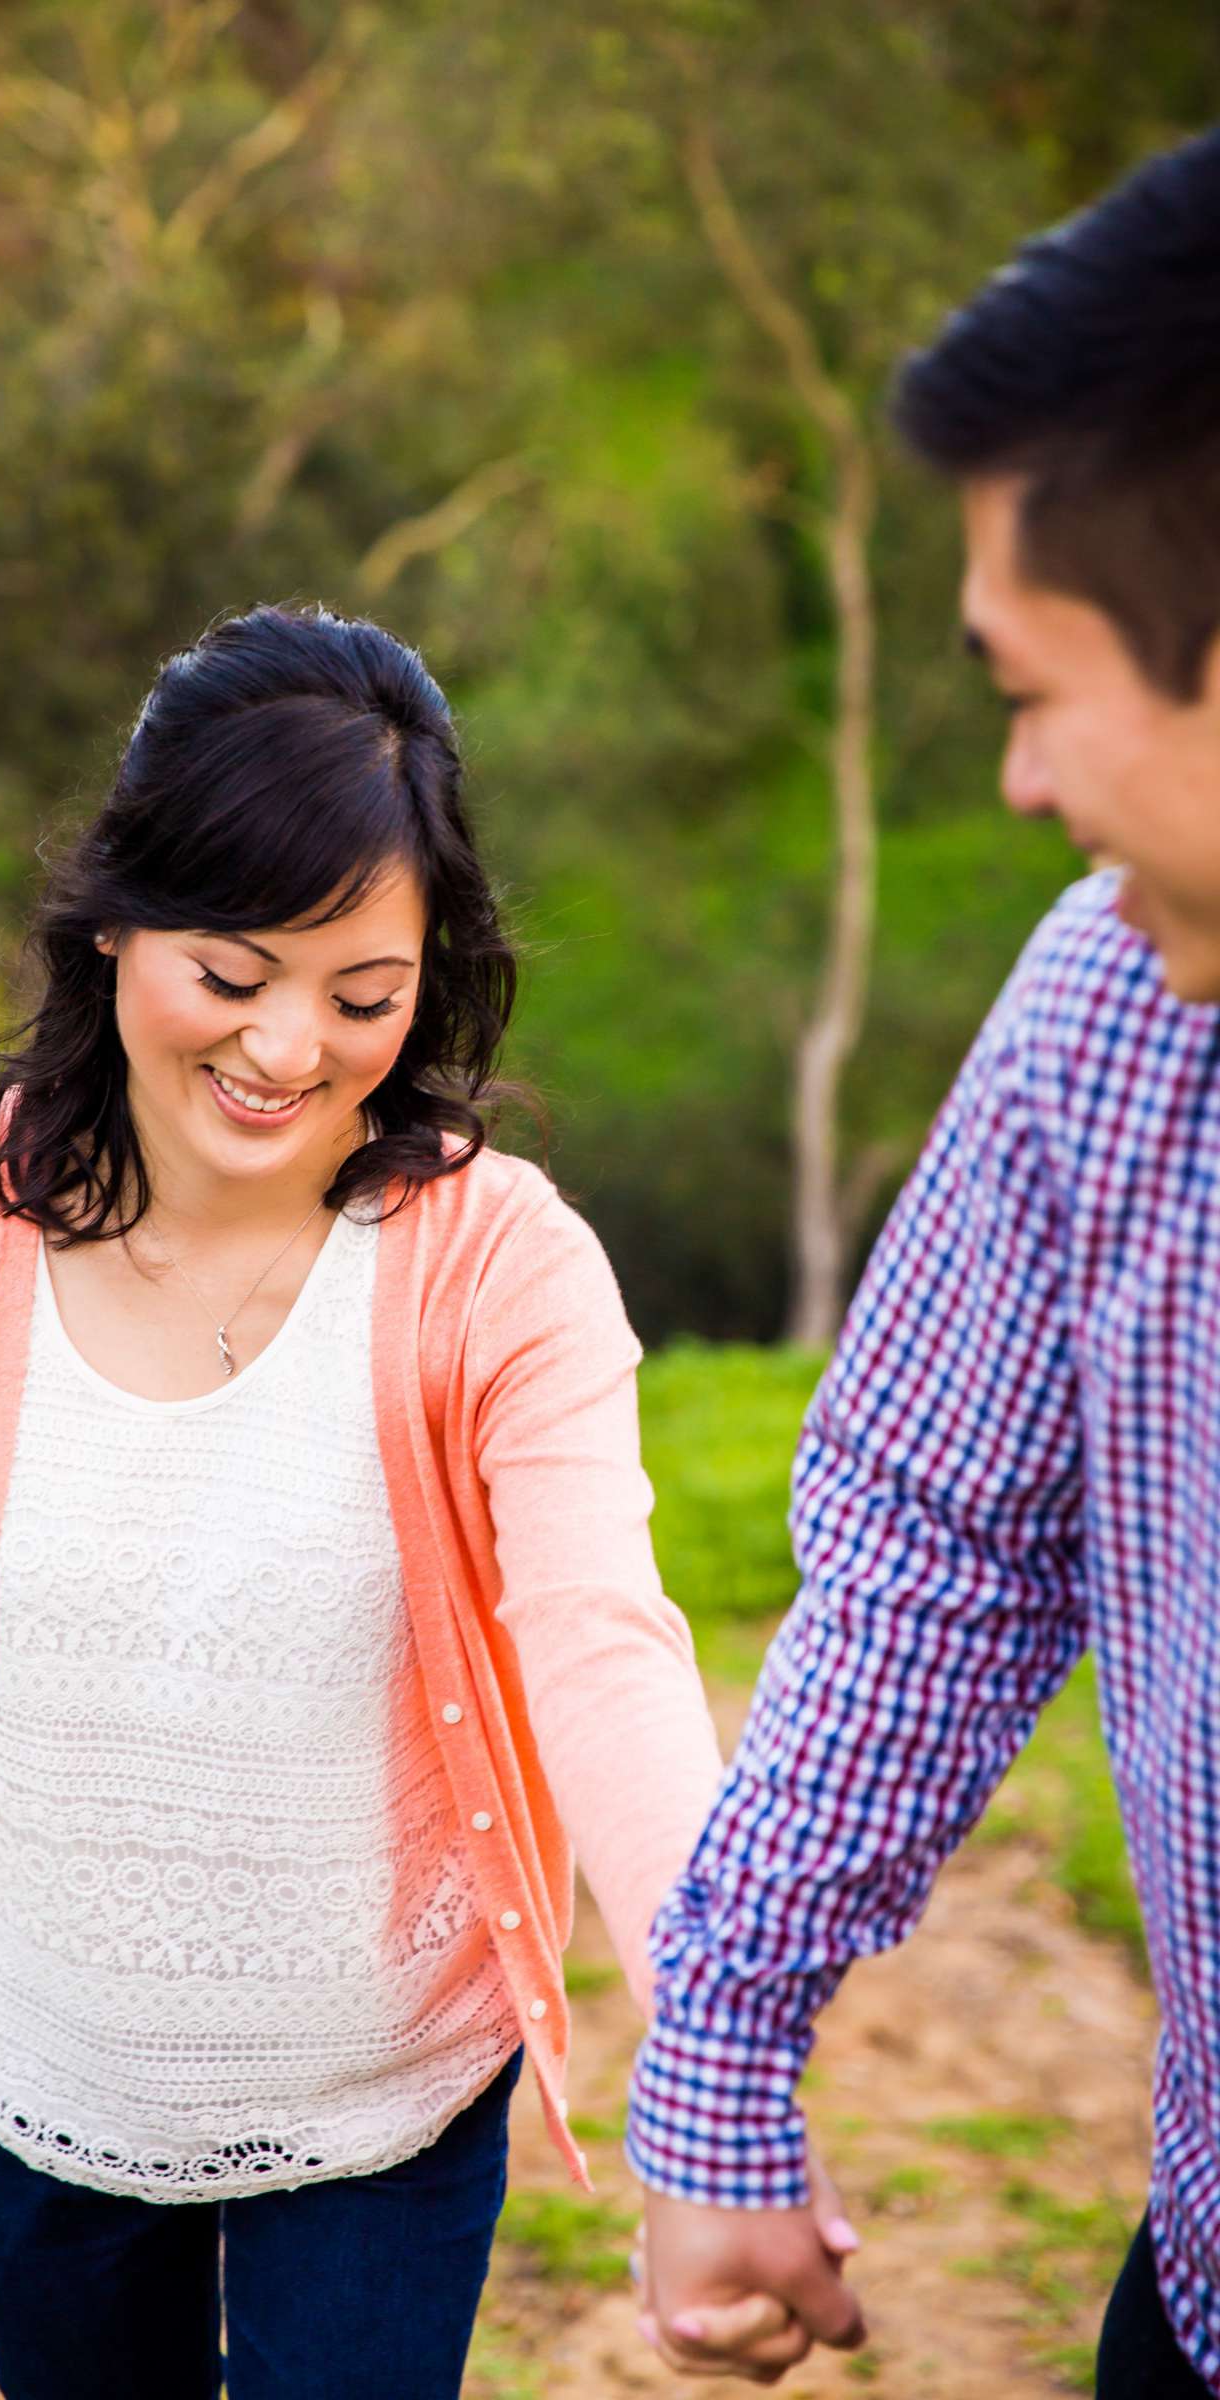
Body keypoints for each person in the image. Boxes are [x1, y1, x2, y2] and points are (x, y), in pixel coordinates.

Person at [0, 603, 819, 2398]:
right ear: (114, 923)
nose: (288, 1051)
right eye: (231, 975)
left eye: (363, 996)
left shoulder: (501, 1266)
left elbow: (606, 1647)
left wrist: (718, 2059)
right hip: (26, 2084)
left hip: (389, 2106)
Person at [627, 126, 1220, 2396]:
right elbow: (932, 1552)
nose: (1013, 780)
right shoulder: (1105, 1021)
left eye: (1029, 686)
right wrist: (719, 2057)